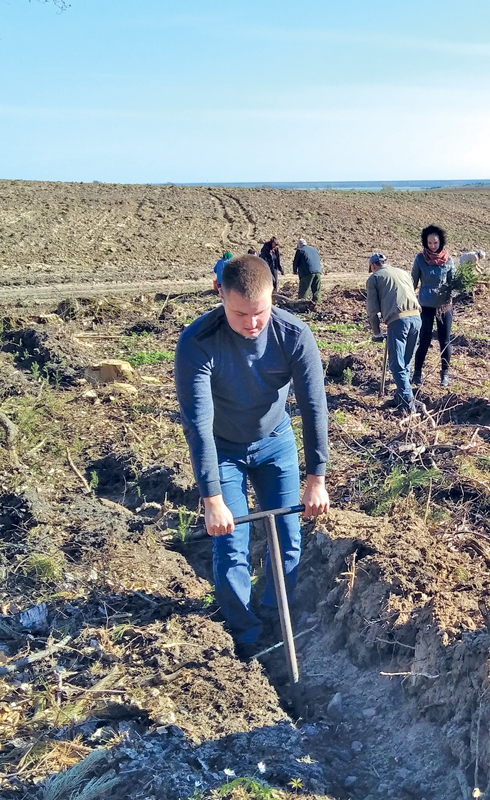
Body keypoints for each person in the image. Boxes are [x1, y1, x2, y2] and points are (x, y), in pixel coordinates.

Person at [175, 254, 331, 660]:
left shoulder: (293, 335)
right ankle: (243, 635)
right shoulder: (198, 343)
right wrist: (212, 500)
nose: (252, 323)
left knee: (289, 537)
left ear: (273, 297)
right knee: (231, 543)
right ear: (219, 294)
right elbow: (198, 425)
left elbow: (314, 407)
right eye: (240, 313)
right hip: (223, 447)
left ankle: (276, 614)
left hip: (275, 439)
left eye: (260, 312)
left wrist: (316, 477)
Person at [365, 253, 422, 413]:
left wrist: (376, 332)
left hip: (398, 321)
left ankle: (407, 403)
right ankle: (401, 395)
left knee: (397, 365)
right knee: (406, 362)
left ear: (373, 266)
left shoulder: (375, 278)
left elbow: (372, 311)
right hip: (417, 319)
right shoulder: (403, 273)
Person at [411, 225, 456, 387]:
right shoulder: (420, 259)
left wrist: (458, 290)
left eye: (435, 243)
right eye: (429, 243)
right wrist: (409, 301)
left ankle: (445, 375)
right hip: (425, 306)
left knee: (445, 341)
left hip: (444, 307)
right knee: (424, 339)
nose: (432, 246)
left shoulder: (448, 260)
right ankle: (417, 374)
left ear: (440, 242)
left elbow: (454, 283)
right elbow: (413, 282)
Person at [292, 237, 323, 302]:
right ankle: (317, 305)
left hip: (307, 272)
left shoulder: (300, 250)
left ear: (299, 244)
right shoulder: (315, 250)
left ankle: (301, 304)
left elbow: (295, 262)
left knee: (304, 290)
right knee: (317, 290)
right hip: (318, 272)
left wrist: (294, 271)